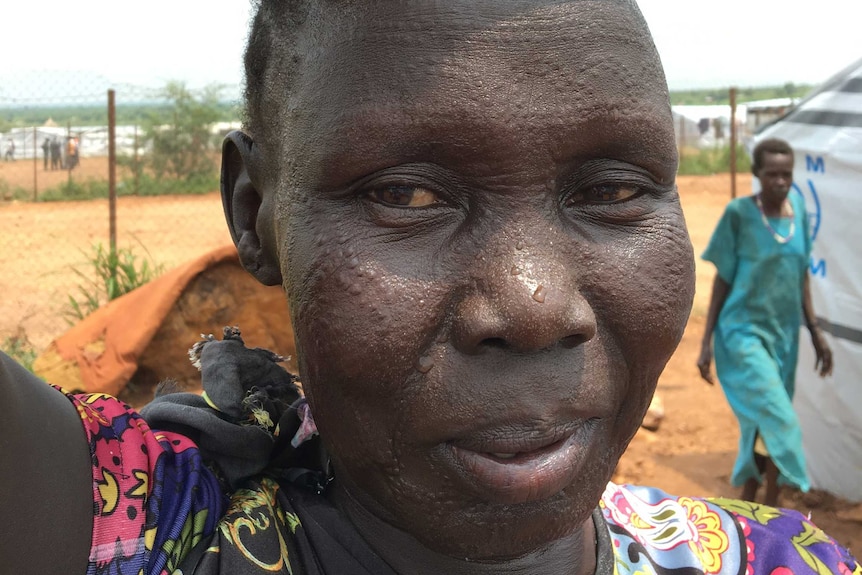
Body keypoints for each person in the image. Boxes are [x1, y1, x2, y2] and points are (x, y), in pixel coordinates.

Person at [1, 2, 858, 575]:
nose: (532, 305)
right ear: (253, 211)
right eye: (406, 194)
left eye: (615, 189)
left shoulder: (783, 561)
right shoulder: (125, 527)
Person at [697, 138, 833, 507]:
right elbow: (723, 279)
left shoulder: (800, 210)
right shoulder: (740, 214)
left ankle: (758, 496)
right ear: (757, 174)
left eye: (786, 174)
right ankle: (784, 492)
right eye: (771, 174)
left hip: (784, 335)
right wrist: (706, 341)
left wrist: (816, 332)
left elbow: (800, 273)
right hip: (741, 333)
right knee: (781, 418)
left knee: (763, 421)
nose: (780, 182)